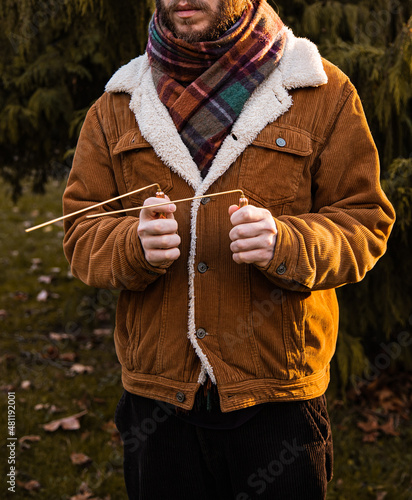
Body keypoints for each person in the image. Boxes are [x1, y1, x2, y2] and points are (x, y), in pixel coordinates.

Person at [62, 0, 395, 498]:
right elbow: (80, 229)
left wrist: (289, 242)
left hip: (277, 400)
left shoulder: (320, 90)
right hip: (158, 404)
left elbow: (365, 222)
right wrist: (132, 245)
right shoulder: (118, 104)